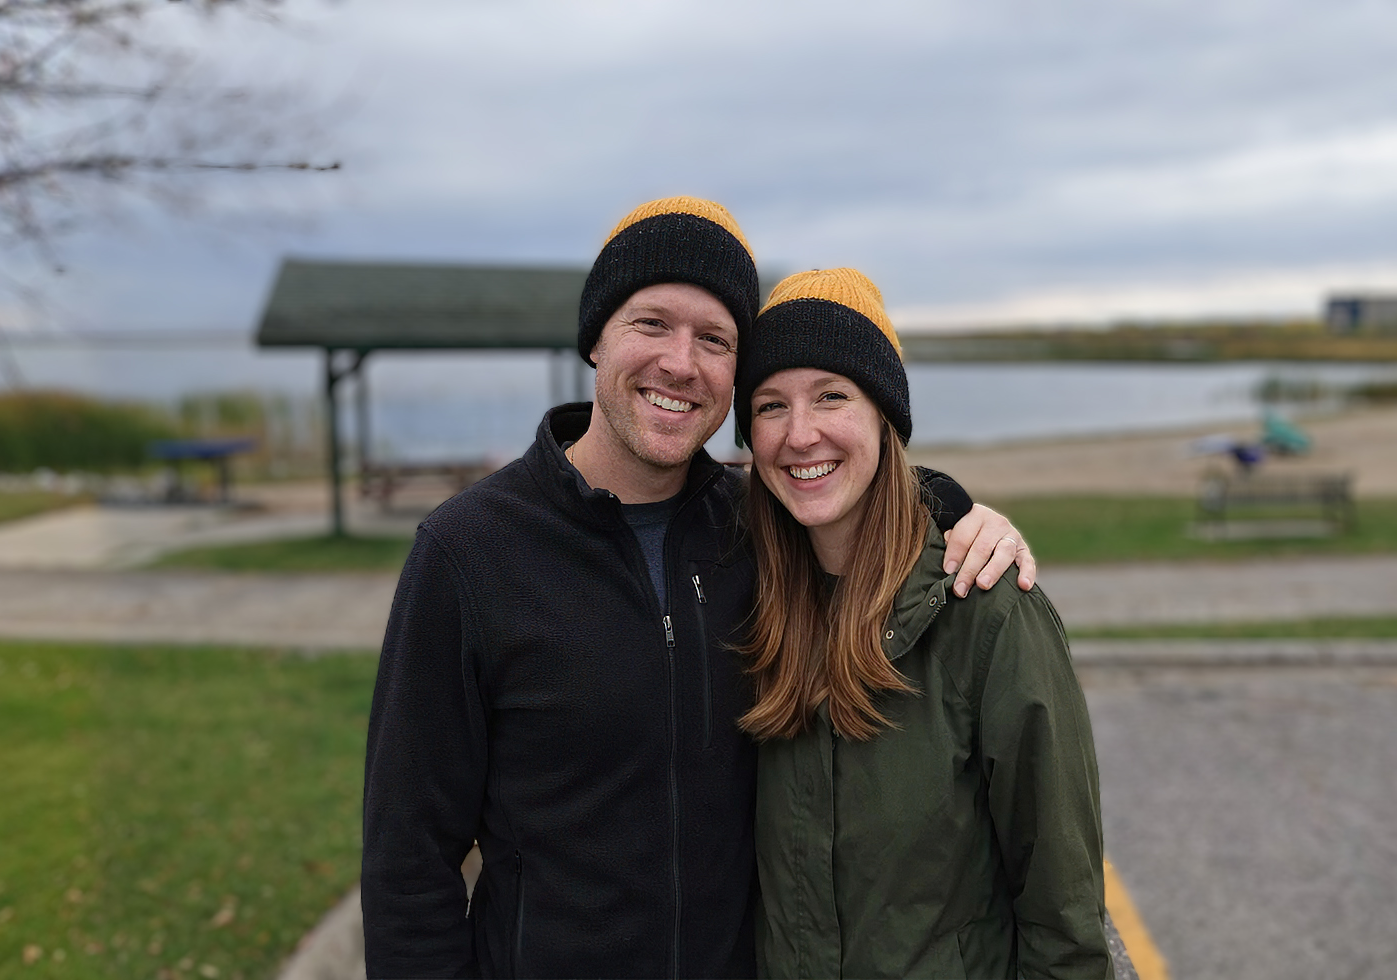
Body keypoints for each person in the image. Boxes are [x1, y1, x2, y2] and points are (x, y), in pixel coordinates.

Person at [360, 198, 1038, 979]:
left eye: (714, 339)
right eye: (651, 323)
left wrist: (953, 509)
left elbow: (858, 487)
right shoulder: (469, 552)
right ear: (595, 340)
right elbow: (408, 863)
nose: (680, 364)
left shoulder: (762, 530)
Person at [735, 268, 1108, 978]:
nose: (799, 433)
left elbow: (1063, 913)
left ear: (884, 415)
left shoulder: (986, 607)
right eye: (769, 405)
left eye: (832, 396)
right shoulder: (740, 591)